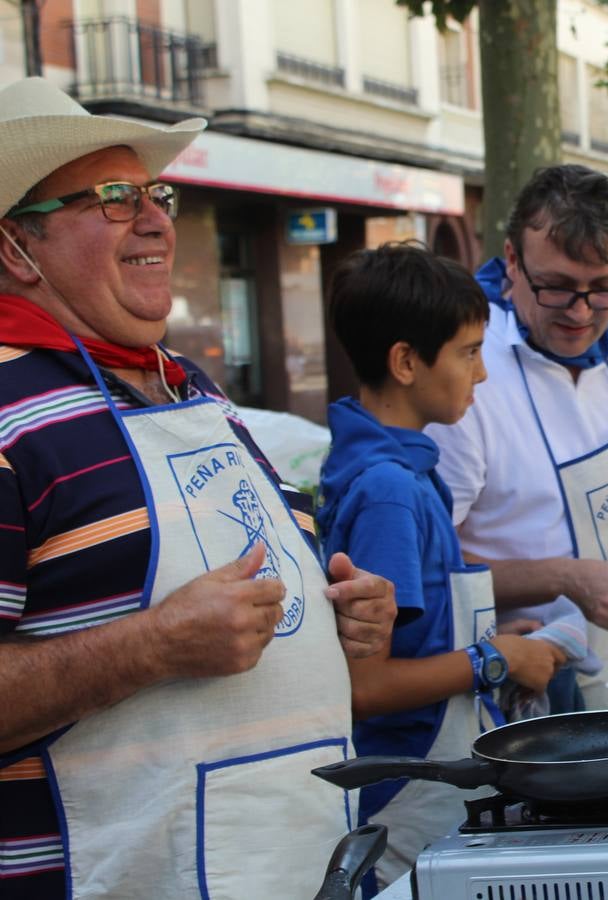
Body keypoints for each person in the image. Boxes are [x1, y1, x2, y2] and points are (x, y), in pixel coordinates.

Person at [0, 77, 397, 898]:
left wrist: (337, 613)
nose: (154, 220)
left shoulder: (189, 388)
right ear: (15, 247)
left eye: (155, 195)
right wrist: (152, 646)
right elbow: (163, 632)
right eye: (113, 199)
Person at [316, 244, 569, 887]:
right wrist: (499, 658)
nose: (480, 375)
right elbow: (367, 687)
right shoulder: (388, 490)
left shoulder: (404, 471)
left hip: (434, 773)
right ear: (405, 361)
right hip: (404, 790)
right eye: (467, 352)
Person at [428, 164, 608, 711]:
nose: (581, 313)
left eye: (604, 289)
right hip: (510, 687)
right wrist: (565, 578)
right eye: (556, 288)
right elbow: (434, 567)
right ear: (512, 261)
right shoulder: (466, 373)